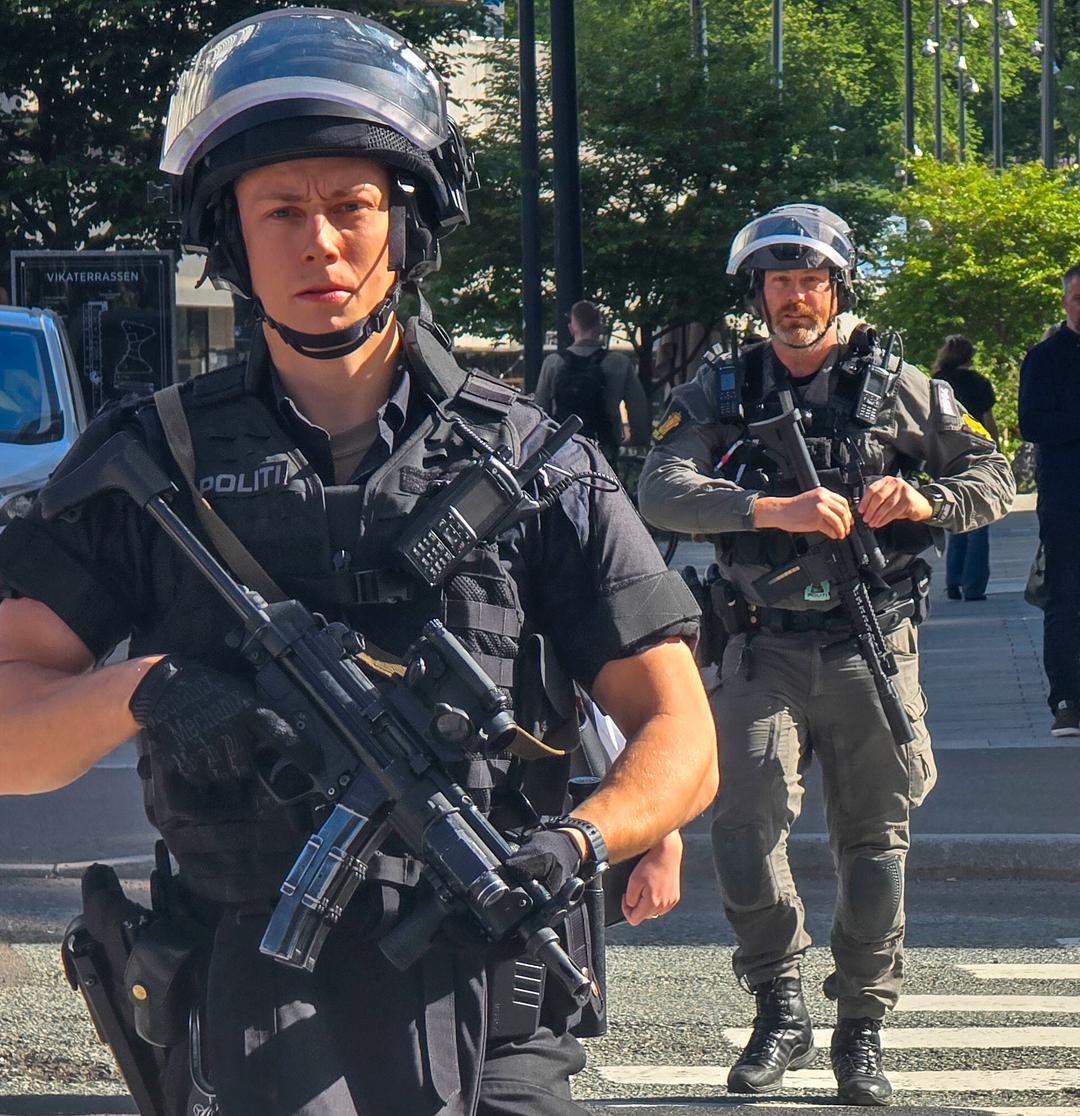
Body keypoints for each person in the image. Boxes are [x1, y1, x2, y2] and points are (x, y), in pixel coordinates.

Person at [0, 11, 717, 1116]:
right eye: (280, 210)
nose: (320, 243)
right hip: (256, 991)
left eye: (352, 208)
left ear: (408, 226)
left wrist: (578, 843)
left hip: (495, 989)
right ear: (231, 238)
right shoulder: (149, 464)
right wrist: (144, 692)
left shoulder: (538, 464)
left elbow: (680, 734)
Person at [638, 204, 1014, 1105]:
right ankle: (778, 1004)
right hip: (760, 647)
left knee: (875, 846)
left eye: (810, 281)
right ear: (759, 293)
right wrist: (770, 511)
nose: (795, 298)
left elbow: (993, 476)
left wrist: (920, 500)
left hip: (869, 643)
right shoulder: (721, 388)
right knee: (738, 833)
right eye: (779, 282)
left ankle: (861, 1026)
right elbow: (659, 488)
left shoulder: (898, 385)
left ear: (837, 288)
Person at [1019, 264, 1080, 737]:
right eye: (1079, 298)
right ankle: (1067, 699)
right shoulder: (1044, 358)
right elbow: (1035, 425)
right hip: (1067, 500)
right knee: (1066, 598)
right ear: (1065, 302)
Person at [931, 335, 1000, 602]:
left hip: (946, 455)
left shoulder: (937, 383)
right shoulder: (979, 384)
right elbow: (987, 420)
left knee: (955, 516)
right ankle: (974, 586)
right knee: (979, 518)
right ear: (970, 356)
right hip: (976, 454)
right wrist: (995, 451)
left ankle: (953, 579)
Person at [535, 300, 651, 460]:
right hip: (604, 449)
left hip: (562, 451)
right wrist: (637, 439)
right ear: (599, 327)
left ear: (571, 328)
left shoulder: (553, 363)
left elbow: (539, 409)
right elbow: (638, 408)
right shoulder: (619, 363)